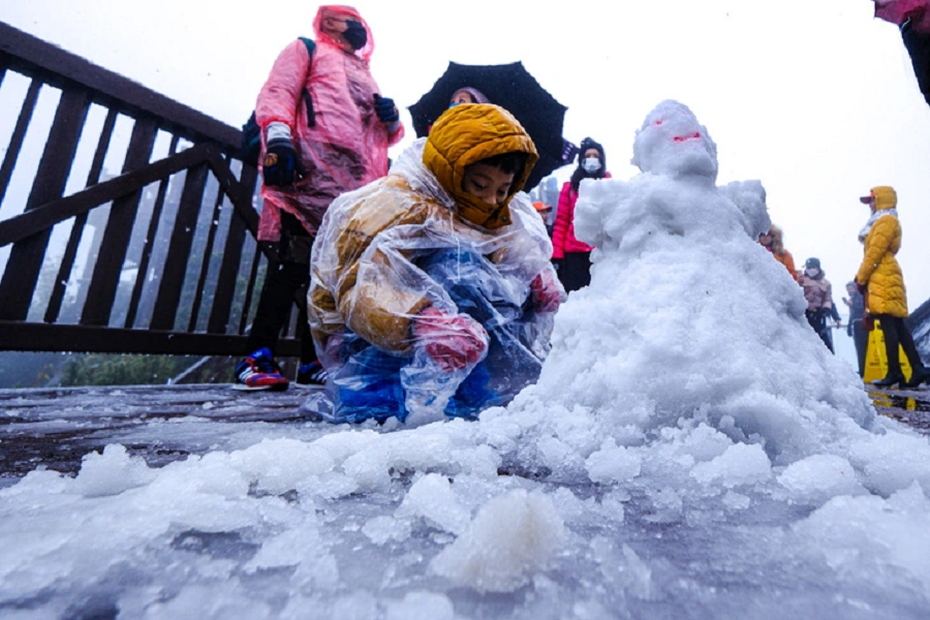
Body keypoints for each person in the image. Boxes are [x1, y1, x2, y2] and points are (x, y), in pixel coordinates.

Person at [307, 103, 564, 423]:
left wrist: (535, 273)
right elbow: (357, 287)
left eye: (502, 190)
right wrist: (420, 320)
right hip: (365, 335)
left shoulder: (496, 211)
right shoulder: (395, 203)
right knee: (461, 264)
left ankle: (466, 386)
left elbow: (511, 245)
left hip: (453, 336)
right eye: (480, 185)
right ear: (451, 171)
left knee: (494, 284)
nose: (491, 200)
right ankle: (381, 393)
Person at [235, 5, 404, 390]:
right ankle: (256, 354)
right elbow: (279, 92)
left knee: (332, 276)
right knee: (293, 265)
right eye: (349, 20)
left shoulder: (364, 73)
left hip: (349, 191)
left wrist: (391, 118)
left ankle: (314, 359)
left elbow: (380, 135)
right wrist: (278, 138)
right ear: (329, 22)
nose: (356, 28)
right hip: (306, 177)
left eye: (359, 22)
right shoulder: (305, 49)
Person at [855, 186, 929, 388]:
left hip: (883, 275)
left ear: (881, 200)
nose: (869, 205)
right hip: (884, 273)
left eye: (872, 200)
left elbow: (874, 253)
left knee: (889, 325)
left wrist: (861, 277)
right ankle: (917, 368)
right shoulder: (886, 220)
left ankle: (895, 371)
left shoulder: (885, 221)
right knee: (896, 326)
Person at [551, 137, 610, 292]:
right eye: (588, 155)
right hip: (573, 254)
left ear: (602, 160)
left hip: (599, 252)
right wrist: (557, 254)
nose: (592, 159)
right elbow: (562, 221)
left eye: (596, 156)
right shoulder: (570, 188)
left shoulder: (609, 186)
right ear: (581, 159)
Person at [800, 257, 838, 352]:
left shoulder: (826, 283)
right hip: (803, 314)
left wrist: (826, 309)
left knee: (822, 340)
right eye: (808, 267)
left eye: (813, 267)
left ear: (818, 267)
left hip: (819, 315)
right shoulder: (801, 280)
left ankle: (830, 361)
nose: (810, 269)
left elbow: (828, 299)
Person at [844, 280, 868, 378]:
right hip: (855, 325)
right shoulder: (853, 299)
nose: (849, 291)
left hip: (862, 324)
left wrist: (852, 304)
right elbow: (852, 315)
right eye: (848, 289)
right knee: (859, 348)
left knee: (863, 348)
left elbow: (862, 309)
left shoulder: (861, 297)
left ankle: (865, 369)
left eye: (850, 289)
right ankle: (862, 369)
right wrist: (849, 327)